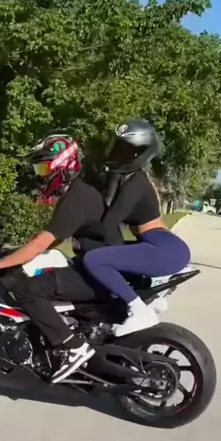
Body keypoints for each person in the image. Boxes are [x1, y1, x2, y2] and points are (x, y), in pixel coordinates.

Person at [0, 134, 125, 384]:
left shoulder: (77, 199)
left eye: (44, 168)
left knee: (26, 288)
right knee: (37, 269)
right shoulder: (79, 193)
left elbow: (41, 244)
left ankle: (72, 346)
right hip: (98, 268)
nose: (41, 175)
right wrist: (12, 252)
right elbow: (50, 240)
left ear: (62, 165)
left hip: (99, 275)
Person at [82, 119, 191, 337]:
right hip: (161, 244)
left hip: (164, 249)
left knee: (94, 260)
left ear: (139, 154)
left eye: (125, 150)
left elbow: (108, 222)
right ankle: (146, 300)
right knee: (104, 254)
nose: (117, 153)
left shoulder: (136, 184)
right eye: (117, 147)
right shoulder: (131, 178)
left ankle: (139, 310)